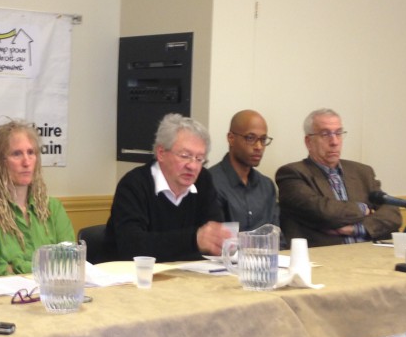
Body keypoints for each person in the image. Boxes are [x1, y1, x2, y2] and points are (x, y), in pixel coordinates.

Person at [106, 113, 229, 261]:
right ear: (161, 153)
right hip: (133, 273)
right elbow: (131, 246)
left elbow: (214, 234)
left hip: (188, 272)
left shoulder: (203, 181)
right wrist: (193, 239)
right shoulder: (134, 184)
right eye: (185, 156)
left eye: (199, 159)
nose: (193, 166)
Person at [276, 108, 400, 247]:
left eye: (338, 133)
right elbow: (324, 212)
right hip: (325, 256)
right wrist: (363, 209)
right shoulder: (292, 174)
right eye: (325, 134)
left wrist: (358, 228)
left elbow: (393, 212)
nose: (334, 142)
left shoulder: (363, 172)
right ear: (309, 142)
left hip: (368, 253)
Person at [0, 120, 75, 276]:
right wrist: (47, 266)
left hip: (53, 289)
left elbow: (69, 261)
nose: (26, 162)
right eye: (16, 154)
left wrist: (16, 266)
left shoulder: (53, 207)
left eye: (31, 153)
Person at [208, 109, 279, 232]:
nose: (259, 147)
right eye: (250, 138)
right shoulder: (210, 182)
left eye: (263, 139)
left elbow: (276, 235)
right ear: (231, 138)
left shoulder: (267, 186)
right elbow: (215, 238)